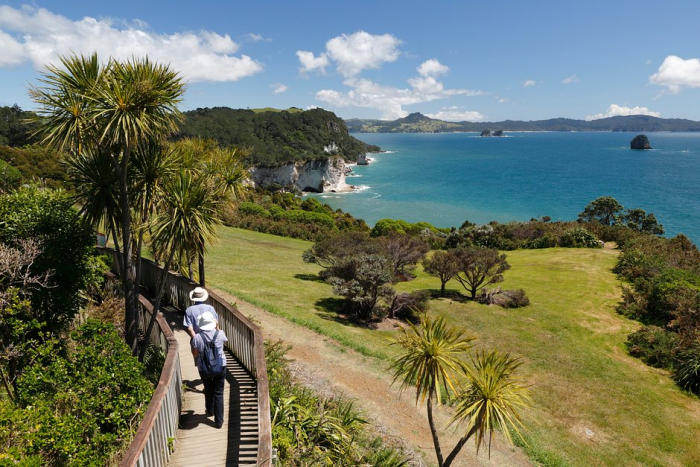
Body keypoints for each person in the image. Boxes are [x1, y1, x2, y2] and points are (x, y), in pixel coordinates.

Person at [191, 311, 228, 428]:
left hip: (204, 368)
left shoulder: (197, 337)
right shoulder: (220, 333)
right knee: (219, 392)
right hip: (220, 366)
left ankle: (210, 410)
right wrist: (217, 327)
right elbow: (224, 342)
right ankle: (219, 421)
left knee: (208, 388)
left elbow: (195, 354)